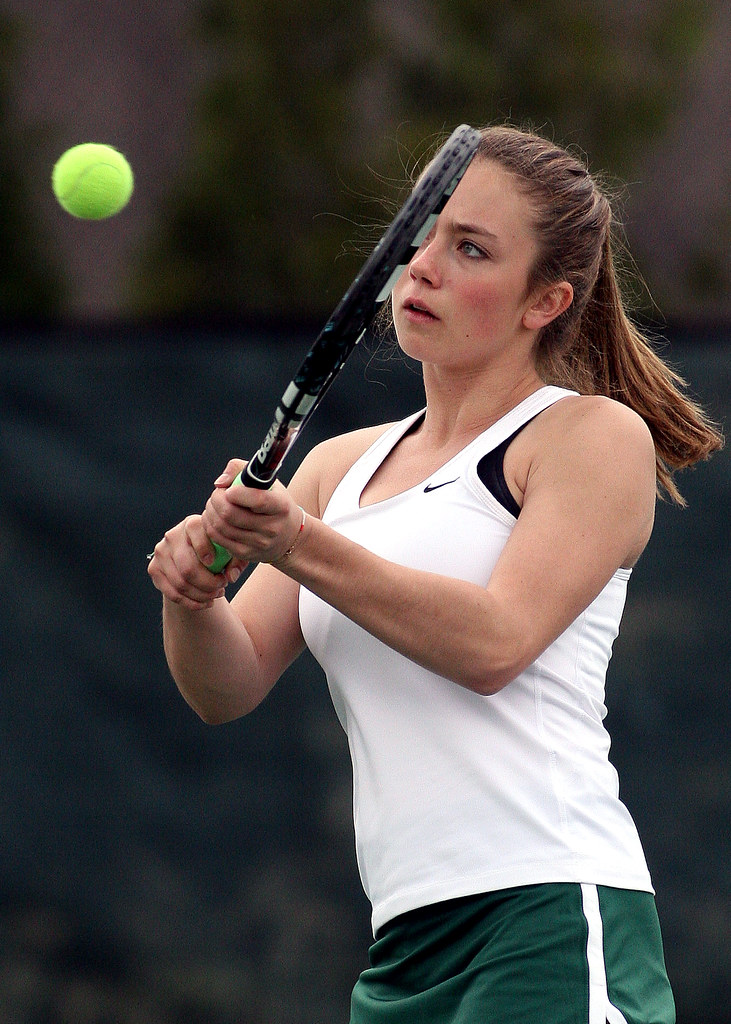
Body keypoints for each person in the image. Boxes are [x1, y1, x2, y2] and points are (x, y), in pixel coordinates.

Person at [147, 124, 723, 1024]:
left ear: (545, 302)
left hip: (545, 916)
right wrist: (191, 595)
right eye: (423, 238)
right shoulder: (337, 468)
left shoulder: (589, 436)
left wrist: (297, 542)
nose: (423, 267)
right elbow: (226, 686)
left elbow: (495, 644)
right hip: (401, 948)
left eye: (471, 250)